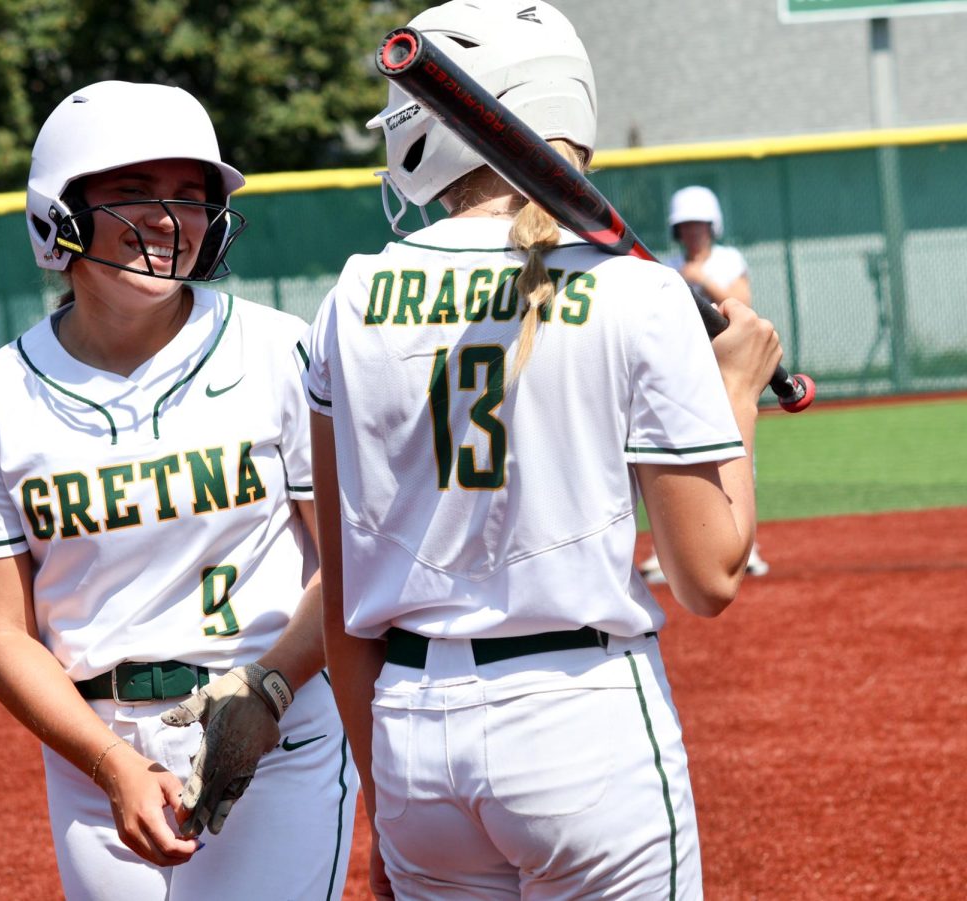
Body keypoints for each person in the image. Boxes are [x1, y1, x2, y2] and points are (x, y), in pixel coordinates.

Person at [303, 2, 782, 898]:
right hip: (580, 721)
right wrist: (738, 393)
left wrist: (388, 796)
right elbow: (710, 574)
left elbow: (343, 594)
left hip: (412, 737)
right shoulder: (639, 294)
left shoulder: (352, 296)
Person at [0, 80, 356, 901]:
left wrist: (265, 692)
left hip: (277, 733)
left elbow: (347, 566)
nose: (169, 219)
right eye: (134, 193)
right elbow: (3, 635)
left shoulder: (280, 351)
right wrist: (111, 761)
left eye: (190, 196)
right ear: (59, 215)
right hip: (97, 758)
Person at [639, 185, 768, 583]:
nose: (692, 233)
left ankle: (746, 547)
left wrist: (699, 278)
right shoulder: (670, 265)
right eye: (685, 226)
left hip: (725, 366)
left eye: (698, 225)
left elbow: (742, 305)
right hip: (683, 368)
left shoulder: (728, 260)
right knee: (679, 451)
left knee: (736, 448)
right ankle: (674, 549)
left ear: (712, 226)